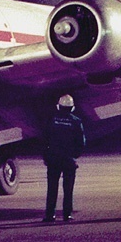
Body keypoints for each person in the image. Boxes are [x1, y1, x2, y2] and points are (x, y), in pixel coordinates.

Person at [42, 94, 85, 223]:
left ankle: (50, 215)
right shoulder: (76, 121)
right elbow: (81, 142)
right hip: (68, 160)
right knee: (68, 189)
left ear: (59, 106)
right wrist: (75, 155)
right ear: (72, 108)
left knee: (52, 188)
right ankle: (67, 214)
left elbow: (45, 139)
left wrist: (46, 156)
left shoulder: (51, 119)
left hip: (53, 158)